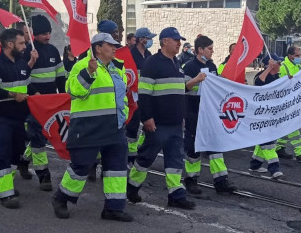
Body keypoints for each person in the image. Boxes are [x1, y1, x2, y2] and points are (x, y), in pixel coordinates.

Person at [51, 33, 133, 222]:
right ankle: (61, 198)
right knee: (81, 167)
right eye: (110, 45)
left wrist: (124, 116)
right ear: (98, 48)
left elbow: (122, 96)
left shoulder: (117, 68)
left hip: (114, 127)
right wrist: (88, 72)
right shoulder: (82, 65)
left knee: (117, 169)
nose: (115, 48)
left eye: (115, 45)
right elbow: (73, 90)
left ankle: (114, 208)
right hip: (89, 127)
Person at [127, 27, 196, 210]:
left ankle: (176, 195)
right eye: (176, 40)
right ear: (165, 41)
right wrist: (147, 118)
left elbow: (179, 91)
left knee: (175, 161)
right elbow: (144, 94)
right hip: (158, 124)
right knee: (145, 158)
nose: (179, 44)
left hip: (174, 124)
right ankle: (132, 187)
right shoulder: (152, 63)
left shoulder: (176, 63)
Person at [0, 28, 37, 208]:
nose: (25, 46)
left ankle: (3, 182)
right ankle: (6, 193)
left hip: (19, 117)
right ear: (9, 44)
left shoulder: (21, 64)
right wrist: (12, 94)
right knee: (2, 152)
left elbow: (28, 85)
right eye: (21, 43)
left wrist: (38, 95)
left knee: (16, 152)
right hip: (1, 116)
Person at [182, 35, 237, 195]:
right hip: (194, 112)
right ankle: (191, 180)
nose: (212, 51)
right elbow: (184, 88)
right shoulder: (189, 67)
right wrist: (197, 81)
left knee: (216, 146)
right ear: (200, 50)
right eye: (210, 49)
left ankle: (221, 181)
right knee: (194, 148)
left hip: (211, 114)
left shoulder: (212, 66)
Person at [21, 14, 66, 190]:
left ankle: (23, 160)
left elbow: (60, 76)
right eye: (43, 33)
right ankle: (43, 175)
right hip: (34, 102)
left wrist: (63, 95)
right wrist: (34, 92)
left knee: (44, 135)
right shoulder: (27, 52)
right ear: (35, 34)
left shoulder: (54, 50)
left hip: (51, 102)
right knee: (38, 136)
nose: (47, 36)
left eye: (49, 32)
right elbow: (22, 77)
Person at [250, 54, 285, 179]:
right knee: (268, 141)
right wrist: (268, 69)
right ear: (271, 64)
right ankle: (274, 168)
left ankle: (255, 164)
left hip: (273, 114)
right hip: (261, 115)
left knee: (265, 139)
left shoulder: (277, 77)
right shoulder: (261, 76)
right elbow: (259, 82)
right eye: (278, 63)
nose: (280, 65)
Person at [125, 27, 155, 165]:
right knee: (132, 126)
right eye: (148, 38)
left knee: (148, 123)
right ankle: (130, 157)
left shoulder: (148, 55)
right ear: (141, 39)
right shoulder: (131, 54)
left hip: (147, 95)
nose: (150, 41)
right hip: (133, 95)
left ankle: (140, 150)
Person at [276, 46, 301, 161]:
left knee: (286, 126)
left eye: (300, 55)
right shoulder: (283, 67)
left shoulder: (298, 65)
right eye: (297, 56)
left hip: (296, 101)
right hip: (286, 102)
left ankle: (279, 147)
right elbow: (279, 84)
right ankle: (300, 152)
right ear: (290, 56)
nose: (299, 58)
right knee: (292, 126)